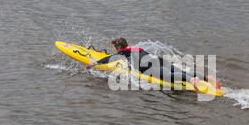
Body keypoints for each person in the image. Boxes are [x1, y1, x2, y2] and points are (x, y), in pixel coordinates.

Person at [85, 37, 221, 90]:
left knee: (169, 76)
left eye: (116, 48)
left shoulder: (123, 52)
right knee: (175, 70)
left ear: (119, 48)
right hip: (157, 60)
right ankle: (207, 78)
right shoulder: (135, 47)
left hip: (148, 68)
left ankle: (193, 80)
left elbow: (108, 59)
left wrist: (93, 64)